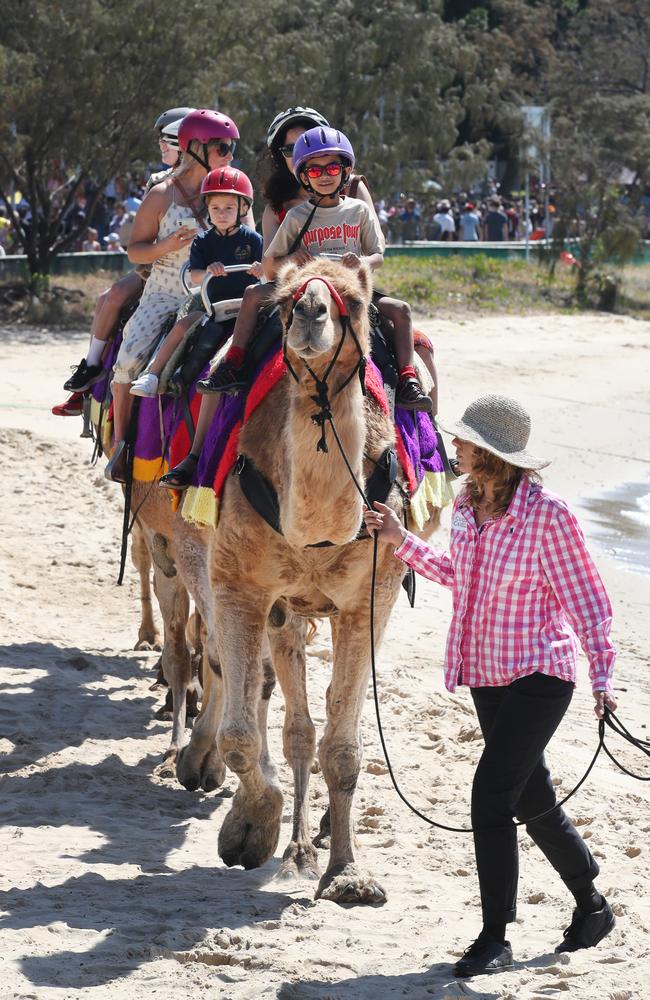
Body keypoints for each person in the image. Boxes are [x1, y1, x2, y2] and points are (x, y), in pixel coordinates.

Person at [363, 394, 617, 978]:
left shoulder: (549, 517)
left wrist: (603, 677)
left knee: (490, 796)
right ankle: (592, 905)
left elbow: (588, 602)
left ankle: (494, 936)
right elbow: (460, 575)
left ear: (491, 455)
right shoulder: (467, 505)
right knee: (532, 800)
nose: (454, 446)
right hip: (487, 675)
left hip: (539, 677)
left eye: (464, 440)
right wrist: (400, 538)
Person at [202, 126, 431, 411]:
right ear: (302, 175)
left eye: (332, 167)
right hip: (305, 288)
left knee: (402, 310)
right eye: (314, 170)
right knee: (251, 294)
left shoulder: (359, 210)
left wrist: (363, 263)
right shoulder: (297, 216)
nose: (324, 175)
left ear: (345, 171)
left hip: (348, 289)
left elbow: (377, 254)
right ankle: (234, 362)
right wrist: (292, 259)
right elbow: (272, 263)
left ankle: (408, 379)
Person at [105, 108, 242, 482]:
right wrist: (166, 245)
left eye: (231, 148)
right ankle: (121, 445)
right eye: (222, 147)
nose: (229, 154)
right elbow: (135, 251)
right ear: (194, 147)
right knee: (130, 357)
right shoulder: (162, 194)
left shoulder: (232, 190)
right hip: (164, 292)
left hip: (213, 296)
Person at [60, 108, 195, 402]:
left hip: (195, 275)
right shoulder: (159, 183)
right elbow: (142, 240)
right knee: (112, 296)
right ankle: (92, 367)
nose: (160, 146)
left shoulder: (213, 184)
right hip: (155, 271)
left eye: (166, 140)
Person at [130, 167, 262, 400]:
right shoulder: (202, 240)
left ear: (243, 208)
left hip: (248, 307)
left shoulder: (253, 239)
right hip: (212, 306)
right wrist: (209, 271)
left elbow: (267, 269)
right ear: (208, 210)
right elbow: (194, 276)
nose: (221, 214)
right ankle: (154, 374)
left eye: (229, 208)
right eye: (215, 208)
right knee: (183, 326)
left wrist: (260, 269)